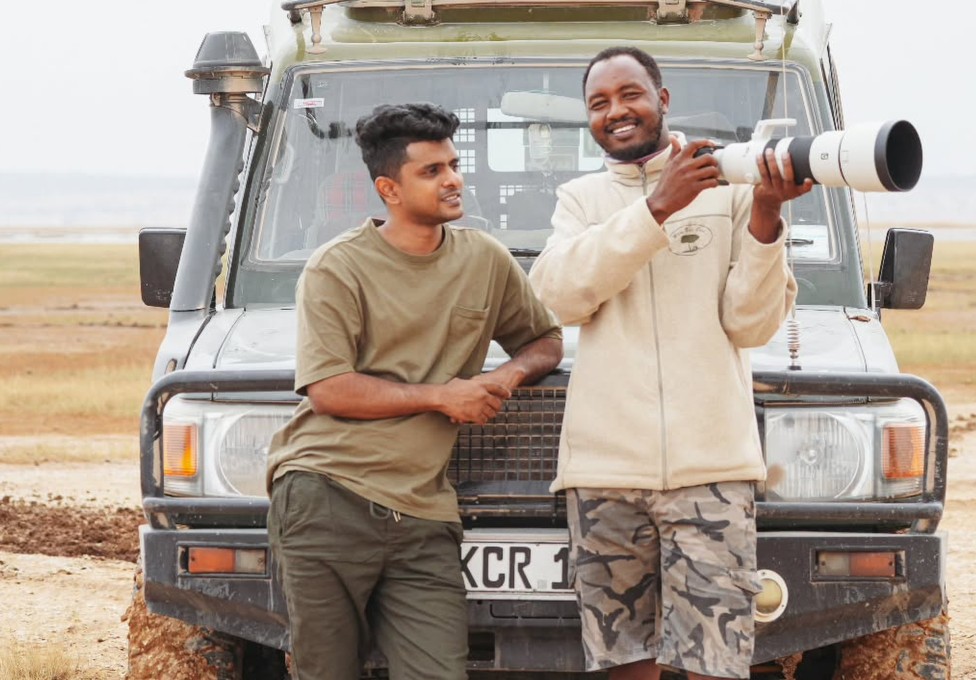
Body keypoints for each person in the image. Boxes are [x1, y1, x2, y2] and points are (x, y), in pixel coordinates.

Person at [528, 47, 813, 680]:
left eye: (630, 94)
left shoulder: (732, 186)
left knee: (715, 658)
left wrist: (766, 215)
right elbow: (558, 295)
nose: (616, 112)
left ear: (664, 98)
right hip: (604, 469)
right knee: (622, 658)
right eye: (598, 103)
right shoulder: (578, 200)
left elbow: (752, 323)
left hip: (711, 467)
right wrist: (656, 207)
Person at [266, 102, 563, 680]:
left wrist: (504, 376)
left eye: (453, 165)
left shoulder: (485, 258)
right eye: (432, 171)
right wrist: (442, 396)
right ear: (389, 189)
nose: (453, 179)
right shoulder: (337, 268)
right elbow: (329, 389)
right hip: (327, 495)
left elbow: (545, 340)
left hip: (424, 512)